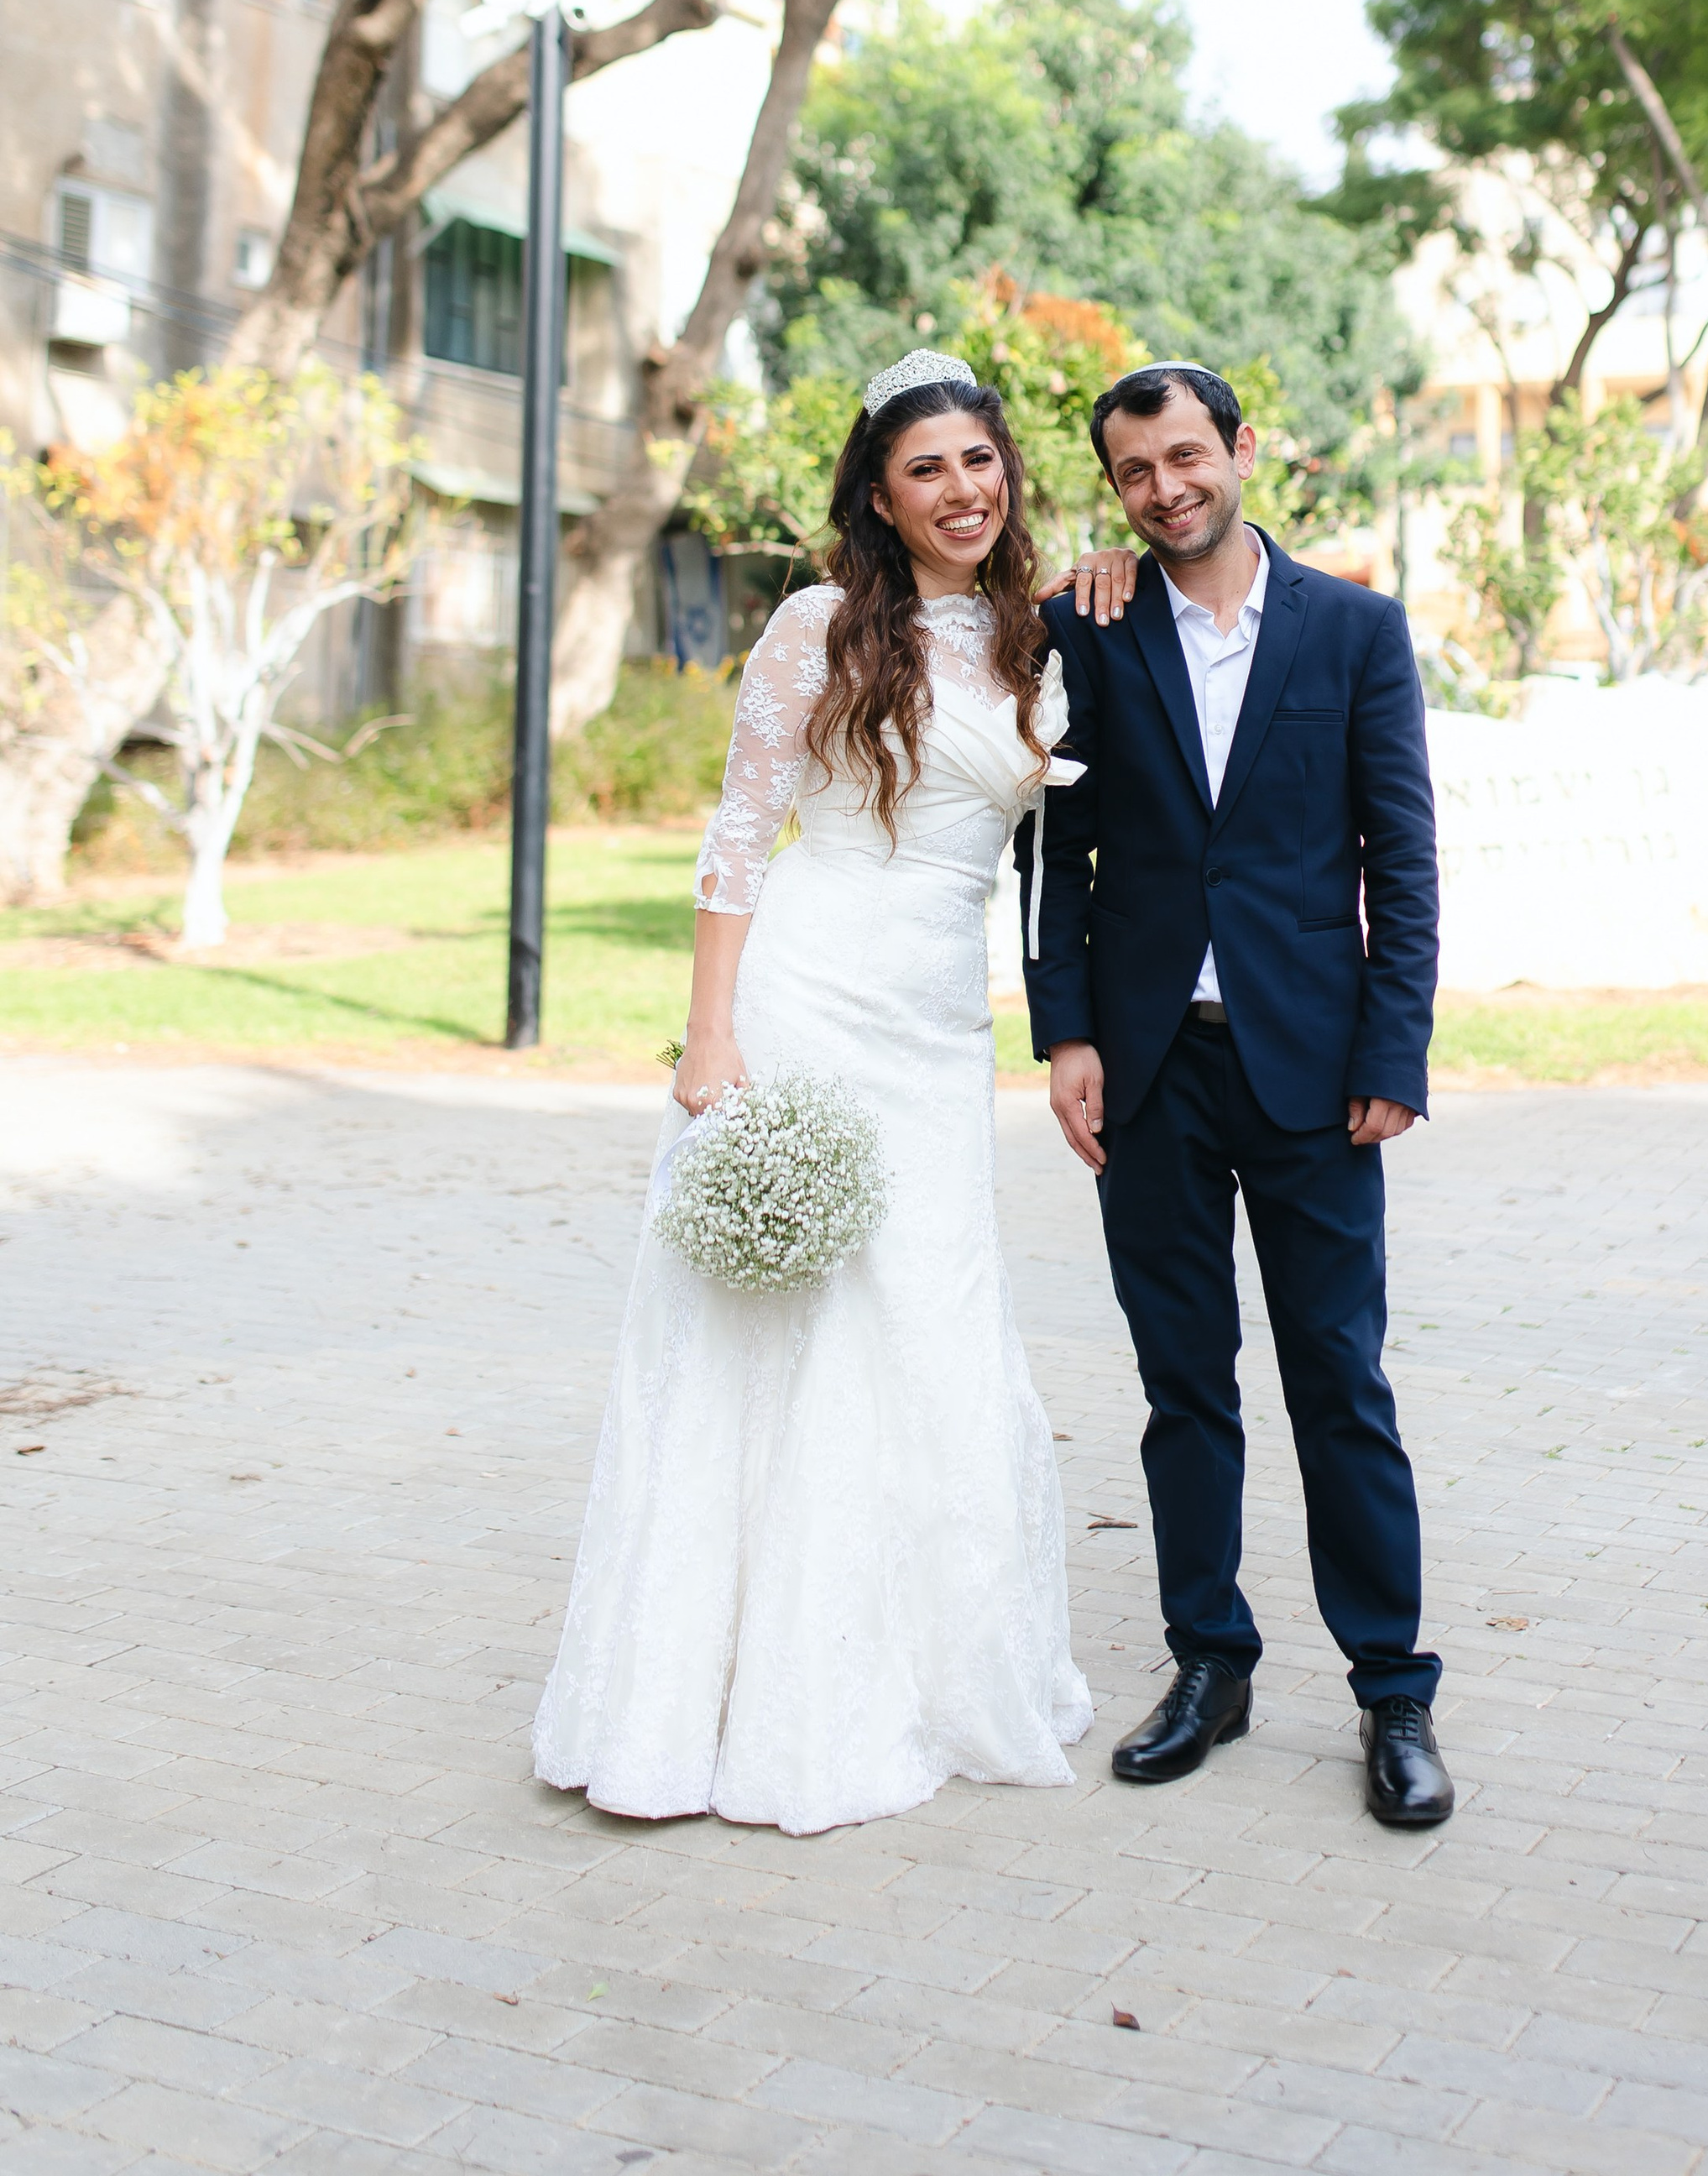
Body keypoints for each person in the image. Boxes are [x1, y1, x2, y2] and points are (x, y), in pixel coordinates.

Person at [534, 351, 1099, 1835]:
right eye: (926, 469)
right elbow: (738, 836)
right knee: (774, 1335)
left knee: (929, 1318)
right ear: (877, 492)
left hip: (932, 1024)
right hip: (805, 989)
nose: (960, 489)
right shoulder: (821, 625)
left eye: (980, 461)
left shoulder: (1042, 636)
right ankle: (722, 1702)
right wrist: (707, 1035)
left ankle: (910, 1665)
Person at [1021, 364, 1450, 1828]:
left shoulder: (1354, 629)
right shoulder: (1088, 623)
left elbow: (1404, 857)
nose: (1166, 488)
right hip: (1148, 1070)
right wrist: (1064, 1035)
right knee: (1181, 1384)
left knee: (1341, 1379)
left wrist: (1394, 1052)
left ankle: (1394, 1687)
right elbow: (1058, 859)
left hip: (1313, 1075)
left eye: (1187, 455)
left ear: (1241, 450)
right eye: (1136, 471)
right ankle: (1211, 1657)